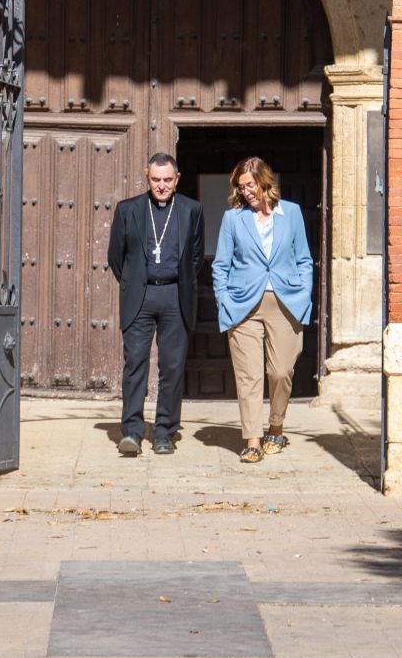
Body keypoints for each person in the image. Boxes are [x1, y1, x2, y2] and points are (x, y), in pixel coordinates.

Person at [212, 156, 313, 464]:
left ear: (265, 181)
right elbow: (221, 265)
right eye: (241, 187)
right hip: (243, 305)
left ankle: (276, 427)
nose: (246, 192)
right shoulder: (233, 219)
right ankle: (252, 440)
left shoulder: (291, 213)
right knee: (249, 376)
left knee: (280, 371)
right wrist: (224, 302)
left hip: (285, 302)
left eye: (251, 185)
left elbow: (304, 259)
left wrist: (304, 294)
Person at [106, 152, 204, 456]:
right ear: (146, 178)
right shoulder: (129, 210)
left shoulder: (192, 210)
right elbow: (116, 256)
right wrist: (136, 282)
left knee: (172, 367)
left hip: (176, 296)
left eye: (167, 180)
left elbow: (196, 257)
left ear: (177, 179)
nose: (161, 186)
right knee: (135, 364)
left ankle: (164, 432)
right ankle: (132, 432)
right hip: (141, 296)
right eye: (155, 180)